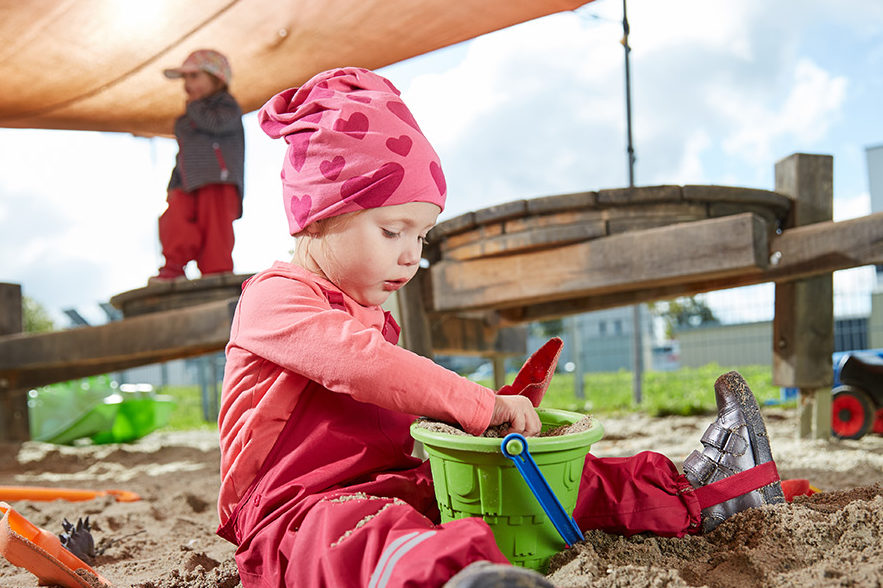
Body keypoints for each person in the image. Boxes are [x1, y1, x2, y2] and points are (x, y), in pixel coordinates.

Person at [216, 67, 785, 588]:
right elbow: (361, 365)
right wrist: (480, 406)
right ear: (318, 216)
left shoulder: (366, 309)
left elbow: (399, 403)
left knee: (538, 476)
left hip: (399, 481)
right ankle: (457, 578)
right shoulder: (276, 299)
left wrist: (490, 422)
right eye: (392, 231)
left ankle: (709, 492)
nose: (410, 256)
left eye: (422, 237)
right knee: (358, 532)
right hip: (294, 508)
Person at [150, 49, 245, 284]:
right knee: (175, 218)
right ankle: (173, 267)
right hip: (188, 181)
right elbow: (183, 152)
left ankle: (216, 273)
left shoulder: (227, 106)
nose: (187, 84)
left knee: (215, 230)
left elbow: (215, 124)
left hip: (218, 179)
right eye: (185, 78)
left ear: (216, 78)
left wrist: (193, 107)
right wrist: (174, 183)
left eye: (194, 76)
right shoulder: (188, 116)